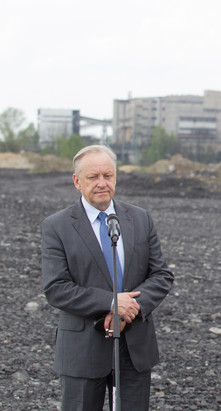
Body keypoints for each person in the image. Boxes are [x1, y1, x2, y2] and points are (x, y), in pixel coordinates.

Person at [41, 145, 174, 410]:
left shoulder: (140, 218)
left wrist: (127, 310)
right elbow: (56, 287)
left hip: (133, 348)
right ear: (77, 181)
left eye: (108, 175)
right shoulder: (56, 226)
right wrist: (112, 303)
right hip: (82, 350)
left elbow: (160, 275)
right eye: (93, 177)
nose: (102, 183)